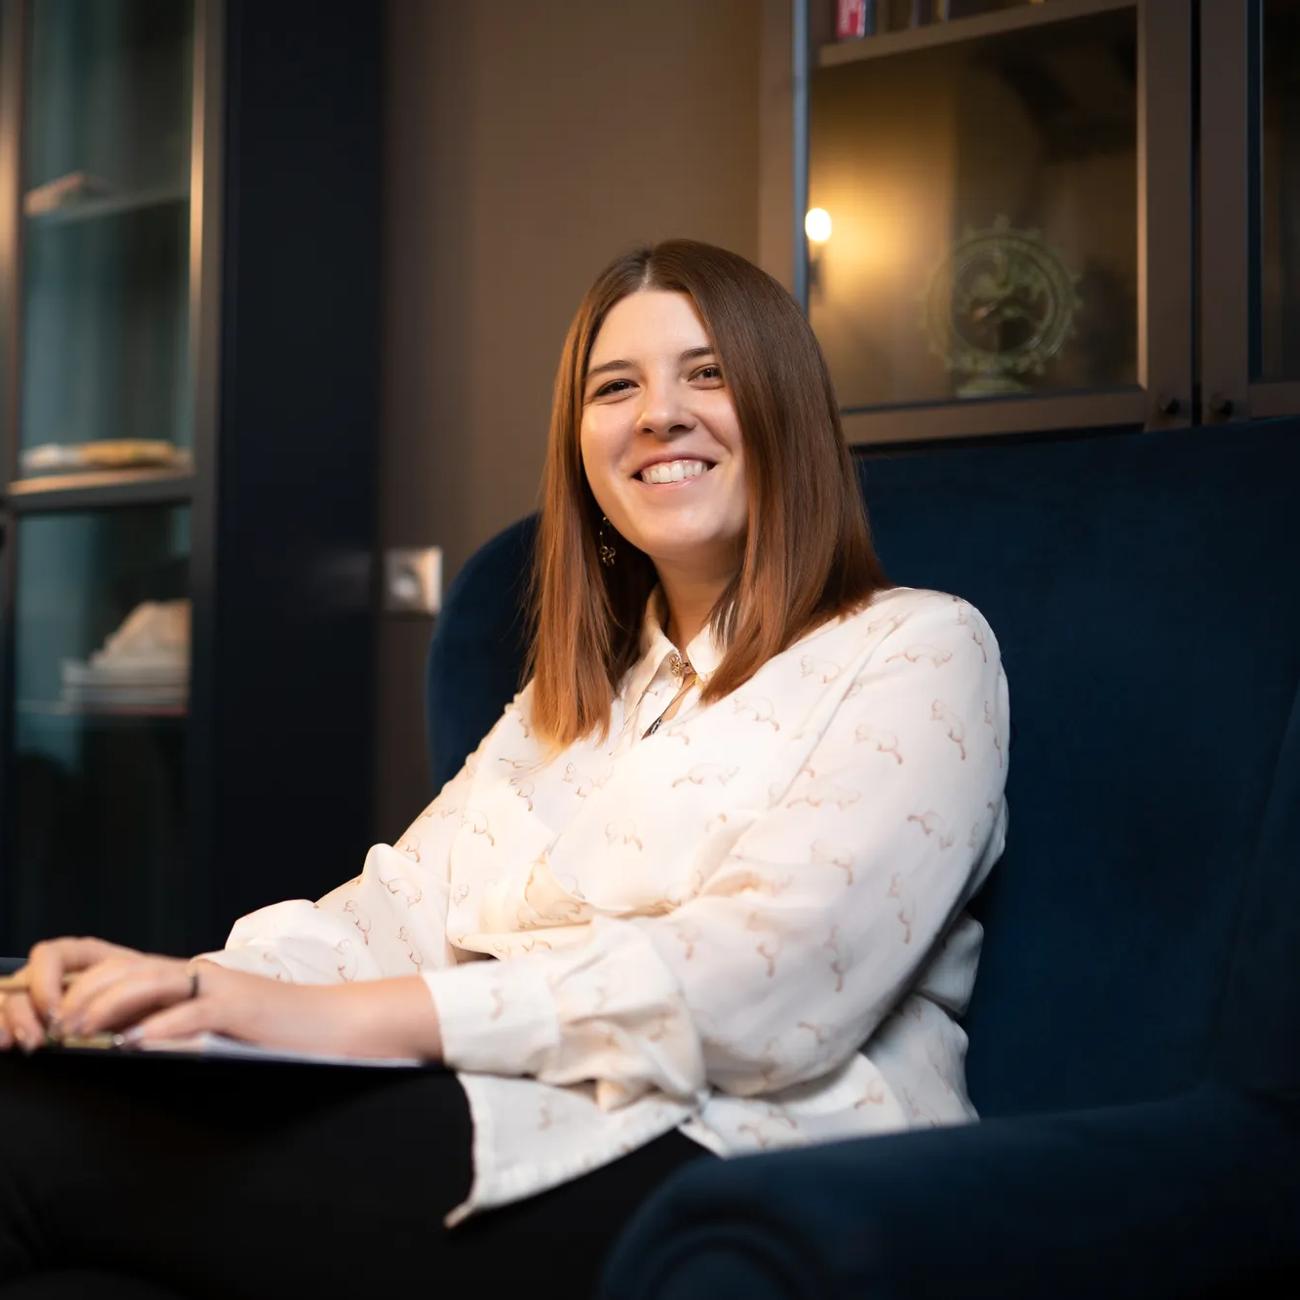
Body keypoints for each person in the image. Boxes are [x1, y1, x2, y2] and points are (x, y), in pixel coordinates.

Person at [0, 239, 1010, 1298]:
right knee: (49, 1089)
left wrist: (316, 1018)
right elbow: (387, 913)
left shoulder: (917, 650)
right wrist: (167, 993)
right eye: (614, 387)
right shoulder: (565, 703)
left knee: (35, 1137)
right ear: (582, 448)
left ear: (786, 408)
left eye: (704, 372)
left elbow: (771, 981)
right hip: (490, 1103)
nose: (658, 413)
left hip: (745, 1161)